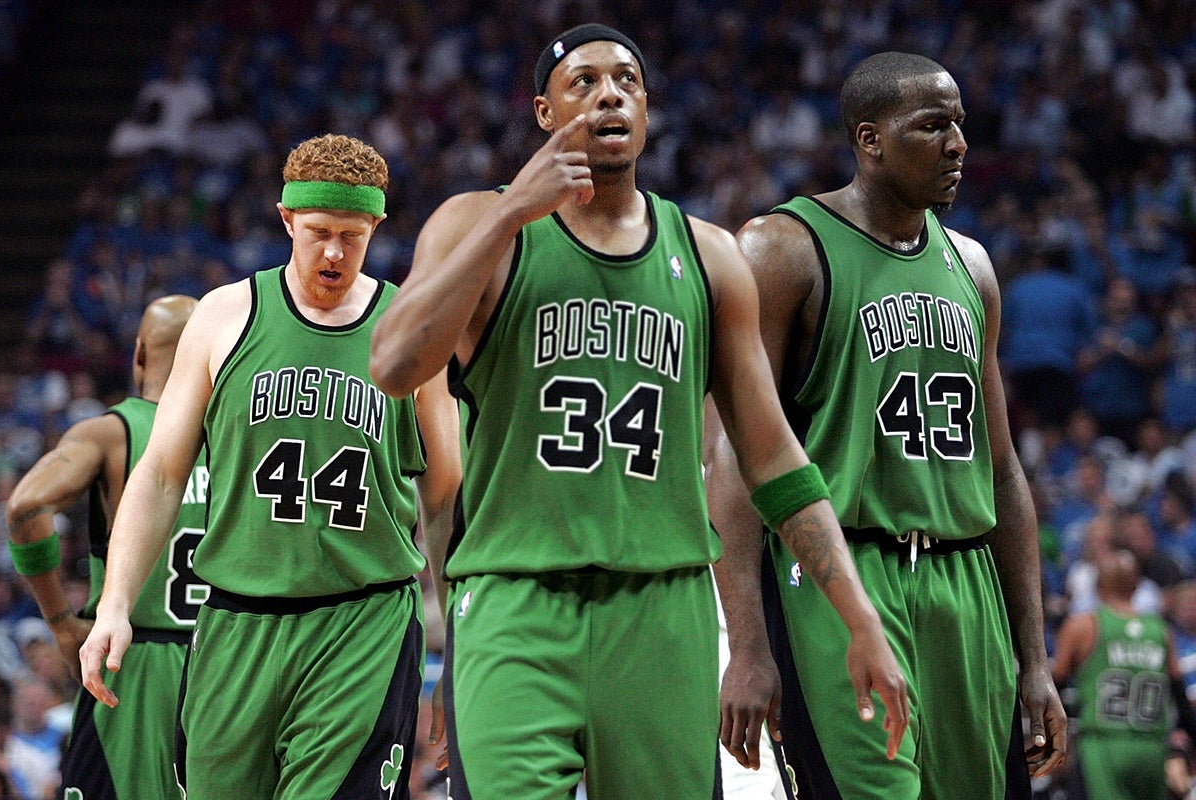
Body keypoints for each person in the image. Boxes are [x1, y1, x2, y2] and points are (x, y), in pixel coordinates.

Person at [368, 23, 908, 800]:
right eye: (583, 82)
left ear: (647, 111)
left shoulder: (710, 255)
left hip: (665, 608)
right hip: (515, 600)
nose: (609, 95)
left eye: (626, 81)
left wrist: (860, 618)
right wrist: (509, 212)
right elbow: (393, 366)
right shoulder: (476, 223)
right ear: (545, 113)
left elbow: (774, 459)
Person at [707, 51, 1067, 800]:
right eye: (932, 126)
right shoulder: (781, 248)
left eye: (960, 124)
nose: (957, 144)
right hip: (842, 574)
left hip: (967, 582)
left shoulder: (972, 267)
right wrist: (746, 644)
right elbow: (735, 455)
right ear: (869, 140)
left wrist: (1035, 659)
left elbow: (1003, 471)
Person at [79, 133, 461, 800]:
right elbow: (161, 473)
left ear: (376, 227)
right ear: (287, 220)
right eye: (319, 233)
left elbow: (445, 494)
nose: (335, 252)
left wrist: (459, 641)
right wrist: (114, 604)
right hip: (234, 619)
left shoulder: (411, 329)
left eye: (352, 235)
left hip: (362, 623)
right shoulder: (223, 317)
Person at [5, 294, 200, 800]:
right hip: (228, 665)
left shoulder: (113, 433)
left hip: (131, 668)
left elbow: (25, 506)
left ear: (139, 354)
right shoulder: (244, 438)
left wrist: (61, 623)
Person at [1053, 549, 1196, 800]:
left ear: (1098, 585)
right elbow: (1180, 699)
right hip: (1151, 747)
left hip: (1102, 745)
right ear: (1136, 586)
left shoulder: (1083, 626)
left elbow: (1055, 686)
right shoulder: (1161, 631)